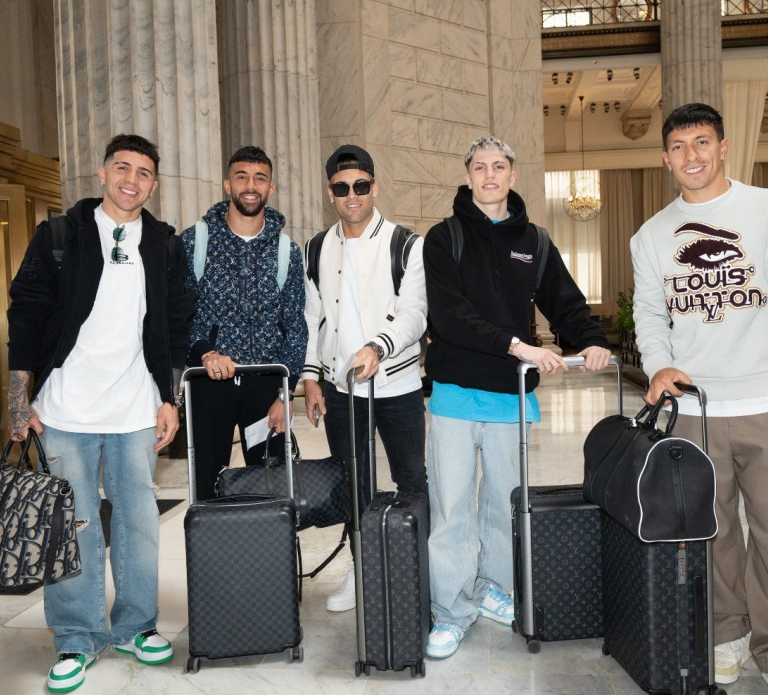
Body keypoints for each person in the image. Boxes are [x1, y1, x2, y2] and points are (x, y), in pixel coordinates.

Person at [631, 103, 768, 695]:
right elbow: (650, 314)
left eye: (702, 142)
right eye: (678, 146)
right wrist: (659, 364)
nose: (691, 156)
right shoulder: (651, 236)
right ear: (666, 157)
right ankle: (726, 632)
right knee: (711, 533)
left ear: (724, 147)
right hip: (696, 409)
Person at [7, 134, 195, 694]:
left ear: (154, 184)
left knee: (138, 523)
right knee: (74, 526)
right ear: (102, 172)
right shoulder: (60, 236)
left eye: (143, 172)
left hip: (135, 408)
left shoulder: (162, 244)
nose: (131, 180)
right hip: (64, 410)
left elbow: (177, 325)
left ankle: (137, 626)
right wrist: (19, 401)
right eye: (122, 168)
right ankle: (76, 635)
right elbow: (25, 313)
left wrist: (170, 397)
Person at [422, 136, 610, 659]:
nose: (489, 175)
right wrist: (517, 345)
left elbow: (565, 302)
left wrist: (591, 340)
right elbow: (449, 316)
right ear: (467, 174)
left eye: (498, 166)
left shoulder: (537, 241)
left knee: (504, 507)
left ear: (510, 174)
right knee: (452, 511)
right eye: (479, 167)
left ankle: (493, 589)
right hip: (456, 396)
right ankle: (450, 611)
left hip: (511, 399)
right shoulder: (443, 238)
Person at [302, 145, 429, 612]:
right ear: (330, 193)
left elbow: (415, 312)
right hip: (341, 390)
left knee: (411, 480)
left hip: (396, 385)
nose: (351, 195)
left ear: (374, 187)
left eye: (360, 186)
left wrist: (377, 347)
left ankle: (417, 570)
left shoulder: (406, 244)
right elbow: (312, 318)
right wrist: (312, 378)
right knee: (352, 483)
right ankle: (361, 571)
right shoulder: (316, 247)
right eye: (341, 188)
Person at [180, 146, 307, 501]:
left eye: (260, 178)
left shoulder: (286, 251)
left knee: (275, 491)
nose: (250, 186)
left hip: (266, 388)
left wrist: (285, 394)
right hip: (209, 385)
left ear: (271, 188)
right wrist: (205, 352)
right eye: (242, 177)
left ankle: (271, 557)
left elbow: (295, 326)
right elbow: (179, 314)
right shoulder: (195, 241)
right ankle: (213, 556)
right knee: (206, 491)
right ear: (227, 184)